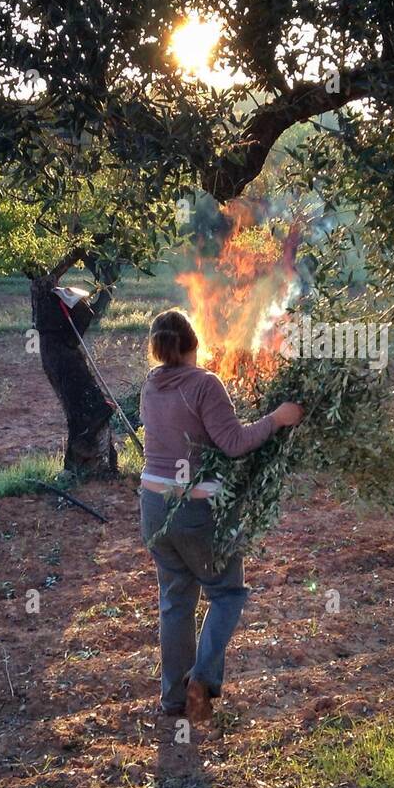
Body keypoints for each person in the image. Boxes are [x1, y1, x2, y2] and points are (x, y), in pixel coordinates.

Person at [138, 309, 303, 723]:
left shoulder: (149, 385)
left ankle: (173, 699)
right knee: (227, 593)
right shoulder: (204, 384)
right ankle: (203, 680)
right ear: (194, 344)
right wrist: (278, 419)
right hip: (196, 510)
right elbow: (233, 443)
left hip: (153, 508)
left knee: (176, 600)